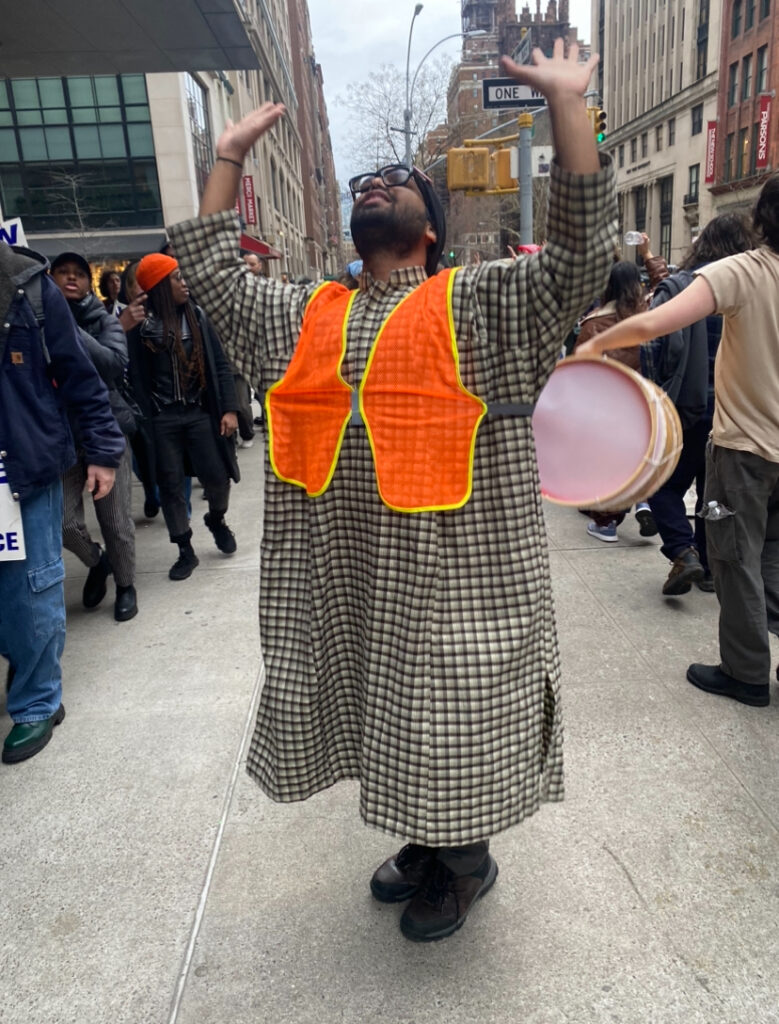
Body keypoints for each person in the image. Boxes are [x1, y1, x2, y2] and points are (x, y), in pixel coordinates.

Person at [168, 40, 617, 942]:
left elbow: (575, 258)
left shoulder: (483, 304)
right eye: (364, 179)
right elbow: (212, 274)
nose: (375, 182)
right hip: (351, 581)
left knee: (450, 718)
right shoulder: (302, 315)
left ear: (431, 227)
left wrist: (568, 103)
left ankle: (467, 861)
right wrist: (224, 158)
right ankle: (427, 838)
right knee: (393, 714)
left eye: (398, 180)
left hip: (459, 583)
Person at [576, 172, 779, 709]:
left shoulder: (747, 270)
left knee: (735, 561)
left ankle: (746, 672)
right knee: (777, 562)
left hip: (746, 450)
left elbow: (655, 324)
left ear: (764, 218)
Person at [0, 242, 122, 763]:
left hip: (22, 464)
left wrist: (103, 452)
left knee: (31, 585)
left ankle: (36, 703)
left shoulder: (27, 285)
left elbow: (79, 374)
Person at [638, 216, 755, 597]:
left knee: (660, 483)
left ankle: (683, 551)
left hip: (687, 406)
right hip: (734, 409)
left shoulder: (681, 287)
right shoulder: (751, 288)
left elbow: (651, 344)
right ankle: (706, 568)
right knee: (712, 496)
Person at [130, 253, 239, 580]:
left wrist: (230, 408)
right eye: (176, 278)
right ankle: (184, 550)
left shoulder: (198, 317)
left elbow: (220, 365)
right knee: (171, 487)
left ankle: (216, 519)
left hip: (198, 413)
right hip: (162, 419)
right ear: (160, 286)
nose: (184, 282)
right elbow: (130, 374)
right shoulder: (140, 326)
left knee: (218, 478)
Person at [51, 252, 138, 622]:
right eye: (62, 274)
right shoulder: (34, 321)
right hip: (61, 437)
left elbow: (113, 365)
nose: (71, 279)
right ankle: (97, 562)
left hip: (107, 431)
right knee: (64, 523)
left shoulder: (104, 321)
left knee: (117, 523)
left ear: (89, 282)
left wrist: (68, 331)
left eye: (78, 275)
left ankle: (126, 585)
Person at [575, 261, 658, 542]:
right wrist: (649, 256)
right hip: (643, 397)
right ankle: (643, 501)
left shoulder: (595, 322)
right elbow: (667, 283)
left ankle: (606, 523)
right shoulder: (650, 315)